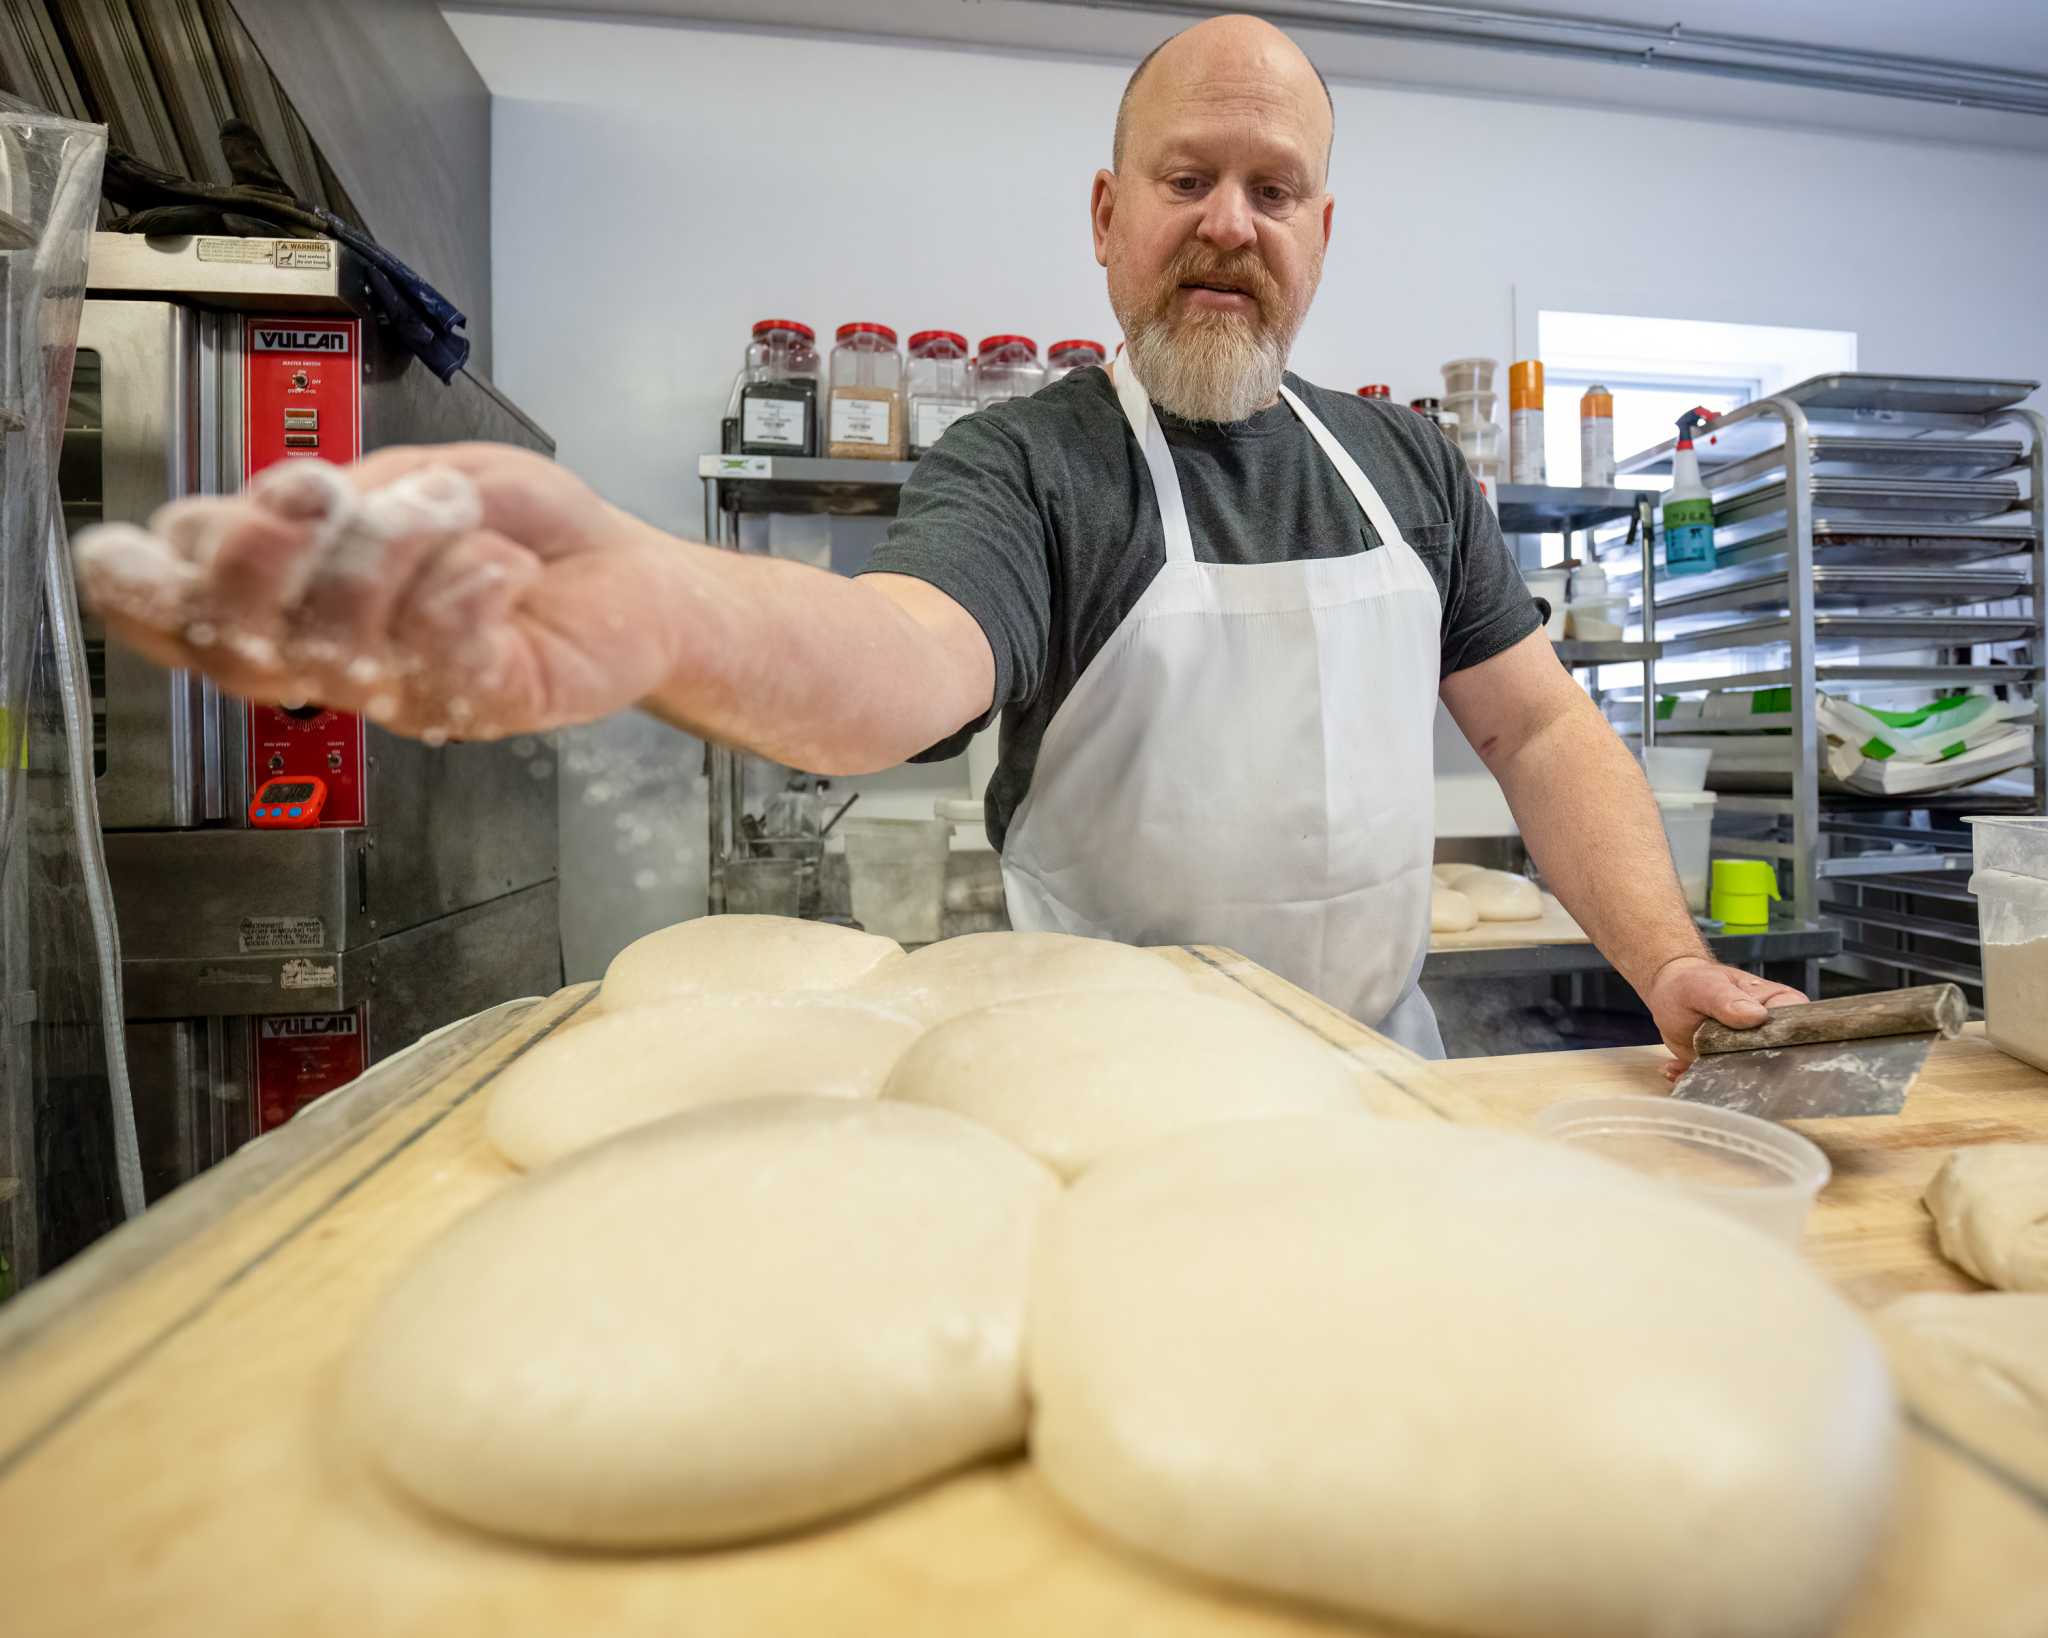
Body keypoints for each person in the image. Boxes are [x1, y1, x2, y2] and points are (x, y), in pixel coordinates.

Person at [76, 14, 1801, 1062]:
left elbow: (1542, 726)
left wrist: (1664, 956)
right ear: (1108, 220)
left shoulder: (1411, 468)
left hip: (1386, 1082)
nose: (1228, 222)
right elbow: (898, 659)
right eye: (1186, 179)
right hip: (1101, 1103)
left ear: (1322, 233)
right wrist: (651, 600)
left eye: (1272, 190)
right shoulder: (1031, 465)